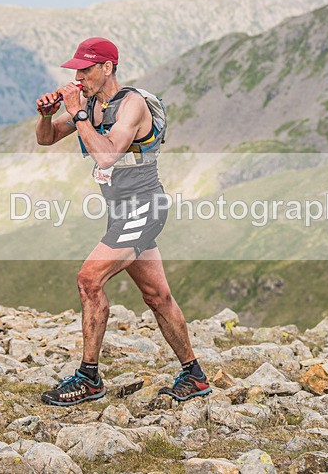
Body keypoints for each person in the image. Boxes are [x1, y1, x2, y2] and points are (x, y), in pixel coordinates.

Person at [34, 37, 211, 406]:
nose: (78, 76)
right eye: (75, 70)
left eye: (85, 69)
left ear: (107, 68)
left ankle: (88, 378)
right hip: (121, 211)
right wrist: (48, 114)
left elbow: (107, 156)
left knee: (88, 279)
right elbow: (46, 140)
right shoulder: (89, 106)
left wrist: (78, 114)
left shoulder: (132, 105)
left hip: (143, 208)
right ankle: (194, 376)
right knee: (157, 296)